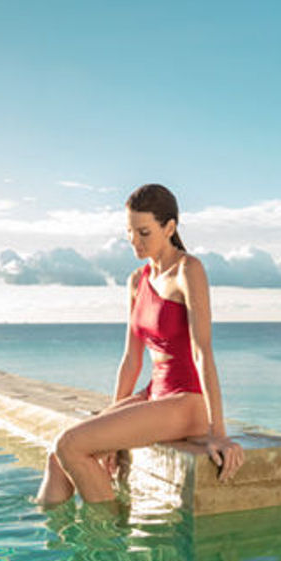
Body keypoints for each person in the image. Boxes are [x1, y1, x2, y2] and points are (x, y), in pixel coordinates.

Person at [36, 183, 244, 505]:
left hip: (187, 401)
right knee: (58, 455)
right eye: (130, 232)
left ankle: (109, 541)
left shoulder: (188, 270)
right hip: (154, 395)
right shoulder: (137, 280)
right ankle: (49, 540)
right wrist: (110, 428)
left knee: (70, 445)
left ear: (170, 227)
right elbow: (131, 360)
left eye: (144, 232)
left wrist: (218, 433)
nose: (135, 241)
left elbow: (203, 351)